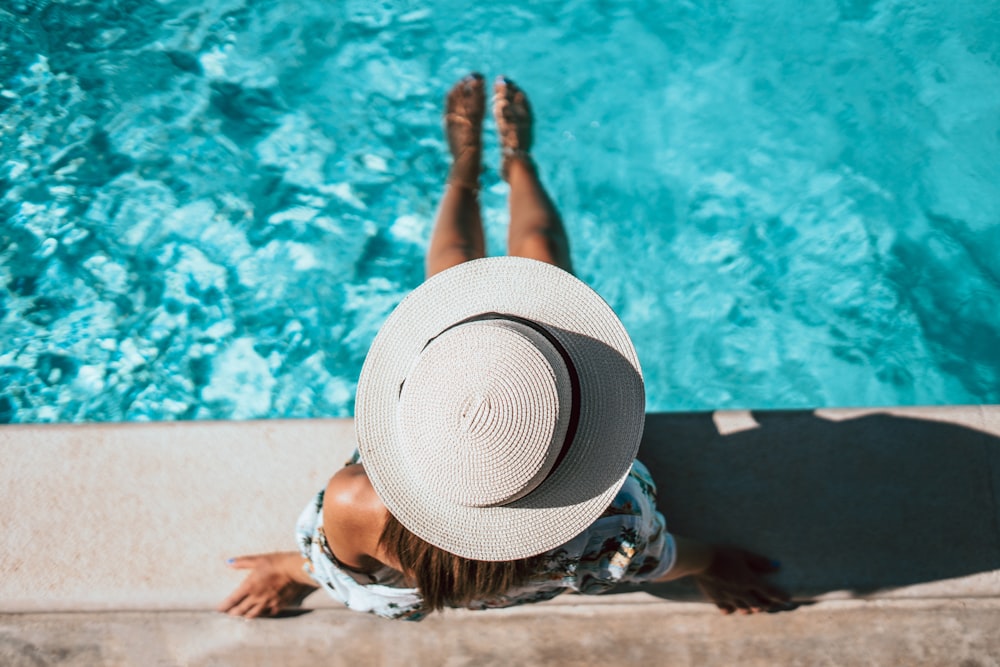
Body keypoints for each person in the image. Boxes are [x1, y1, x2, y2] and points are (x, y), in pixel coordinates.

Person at [218, 73, 789, 620]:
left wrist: (291, 570)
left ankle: (463, 170)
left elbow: (349, 577)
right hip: (549, 516)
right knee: (538, 250)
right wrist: (712, 562)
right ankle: (519, 161)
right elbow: (656, 560)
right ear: (582, 435)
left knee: (452, 272)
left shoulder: (355, 502)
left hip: (447, 474)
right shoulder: (613, 516)